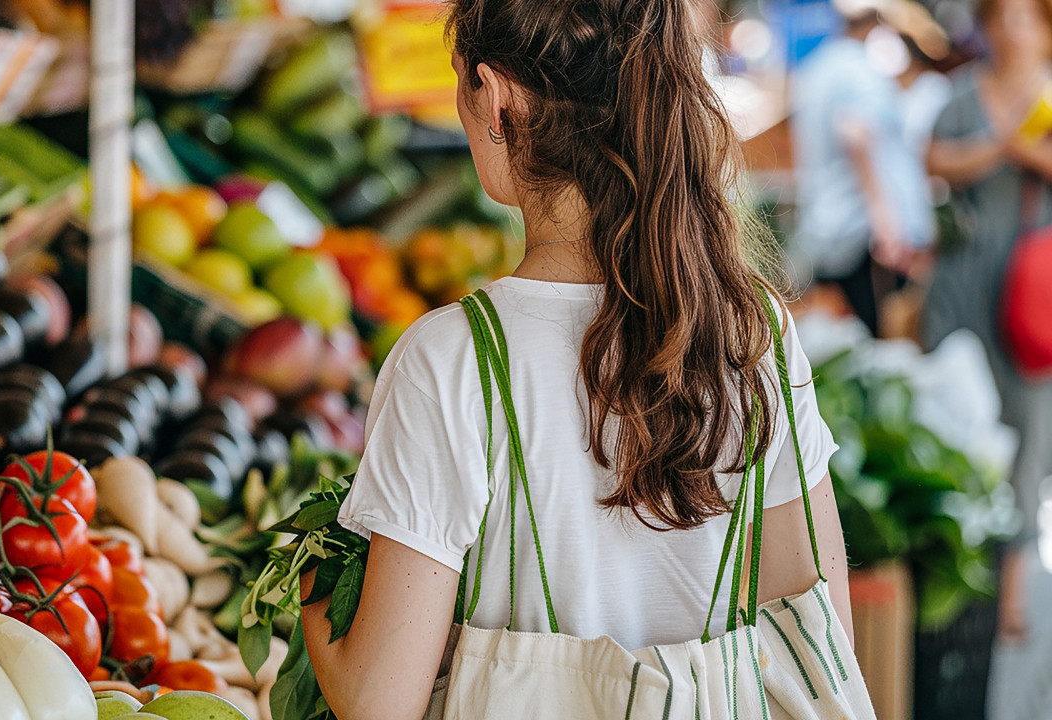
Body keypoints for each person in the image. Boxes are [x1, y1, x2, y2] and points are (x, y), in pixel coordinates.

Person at [299, 1, 854, 718]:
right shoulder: (754, 333)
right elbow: (819, 633)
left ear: (497, 97)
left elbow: (379, 702)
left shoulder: (450, 359)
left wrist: (314, 583)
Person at [924, 0, 1052, 641]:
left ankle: (1013, 594)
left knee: (1029, 433)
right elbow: (934, 162)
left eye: (1026, 18)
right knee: (960, 426)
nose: (1012, 30)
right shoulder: (959, 96)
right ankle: (961, 578)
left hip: (1033, 294)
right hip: (963, 284)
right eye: (1001, 17)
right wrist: (999, 147)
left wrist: (1027, 154)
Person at [790, 0, 936, 336]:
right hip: (863, 235)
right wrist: (886, 221)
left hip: (830, 228)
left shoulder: (817, 68)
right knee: (876, 341)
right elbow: (855, 133)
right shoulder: (859, 69)